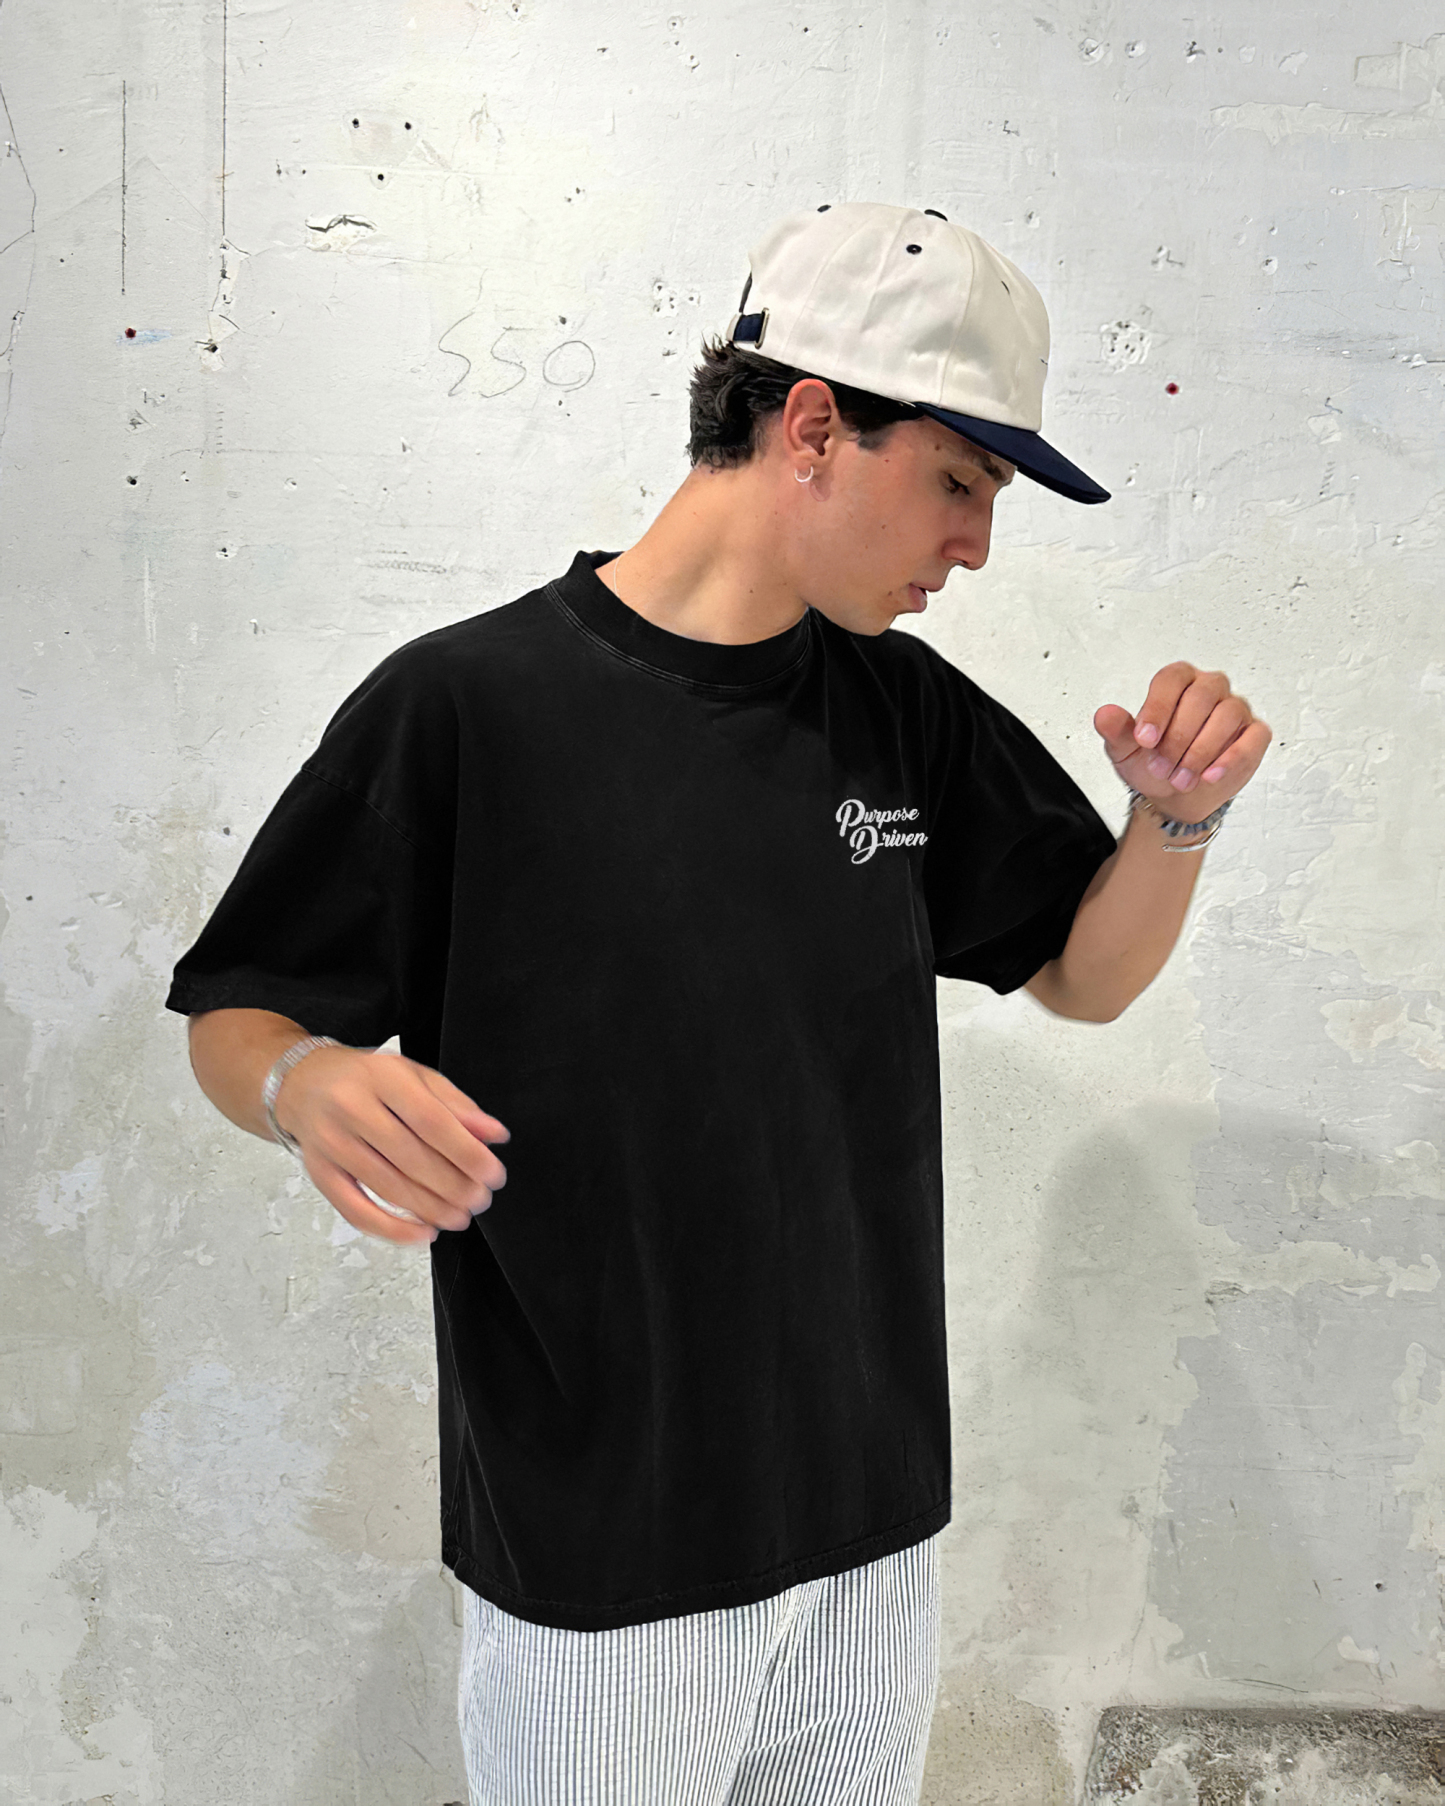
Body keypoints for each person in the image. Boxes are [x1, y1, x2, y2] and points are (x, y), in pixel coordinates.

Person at [167, 202, 1270, 1805]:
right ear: (811, 425)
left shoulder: (895, 709)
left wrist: (1173, 819)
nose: (975, 543)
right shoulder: (469, 706)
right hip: (603, 1547)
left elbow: (1079, 972)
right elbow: (238, 1010)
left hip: (867, 1519)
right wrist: (304, 1084)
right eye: (959, 481)